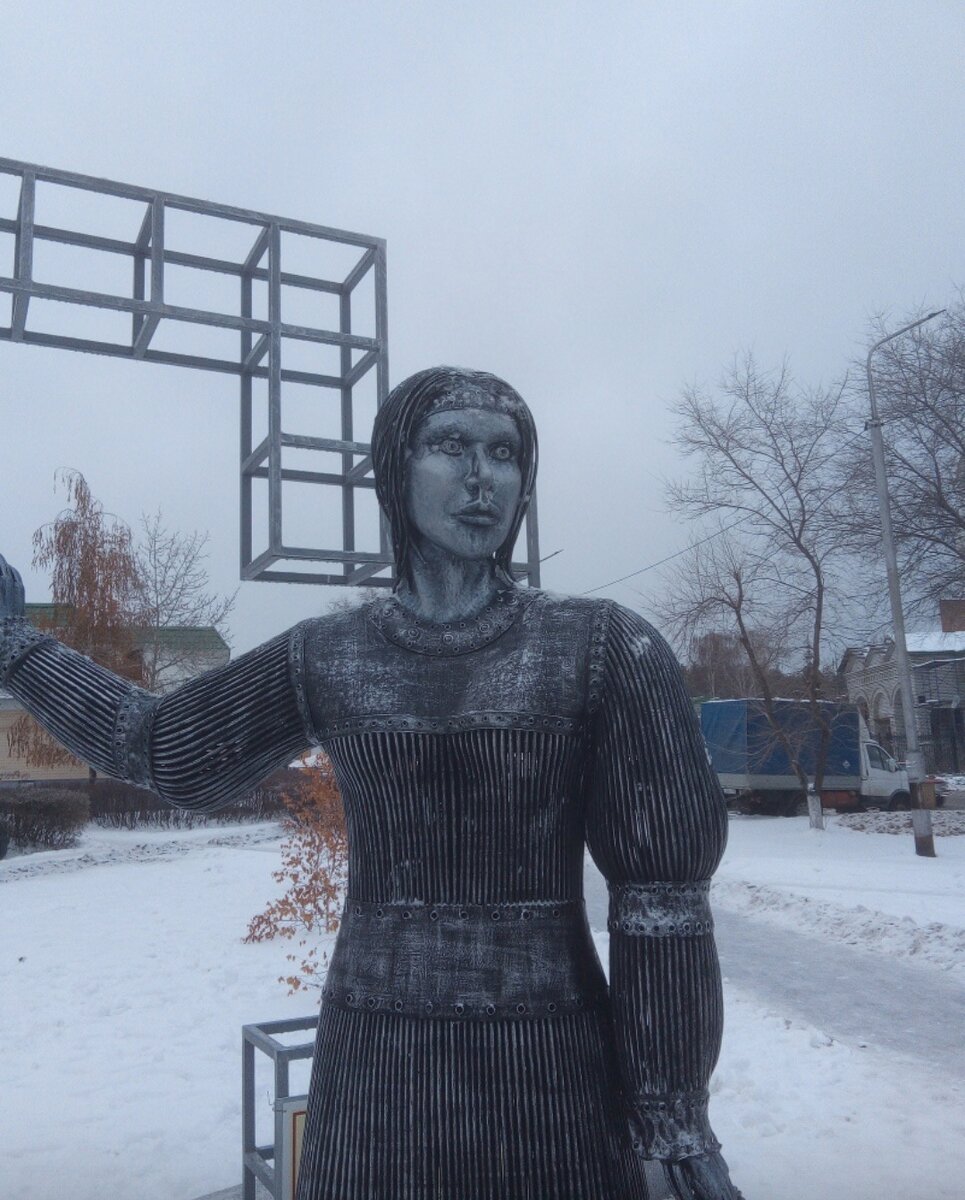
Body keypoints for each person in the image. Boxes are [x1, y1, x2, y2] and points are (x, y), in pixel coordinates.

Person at [0, 366, 744, 1200]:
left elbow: (662, 900)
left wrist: (672, 1120)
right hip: (374, 1069)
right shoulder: (330, 655)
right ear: (395, 471)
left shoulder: (603, 648)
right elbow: (163, 747)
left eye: (503, 453)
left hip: (554, 1067)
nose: (479, 477)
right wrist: (17, 646)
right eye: (450, 446)